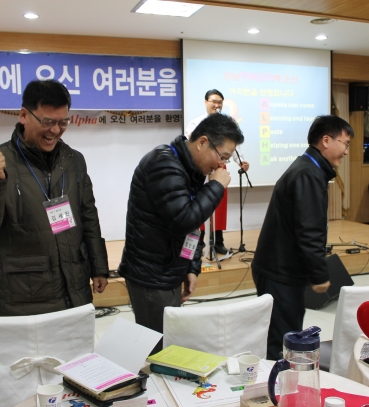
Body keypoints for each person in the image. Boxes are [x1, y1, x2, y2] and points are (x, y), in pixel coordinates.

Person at [0, 79, 109, 316]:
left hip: (76, 288)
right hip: (26, 294)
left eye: (63, 122)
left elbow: (88, 217)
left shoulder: (73, 160)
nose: (55, 130)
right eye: (47, 122)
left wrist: (99, 267)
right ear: (24, 115)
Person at [119, 113, 244, 352]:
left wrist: (191, 266)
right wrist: (216, 186)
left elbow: (192, 227)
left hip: (168, 269)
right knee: (158, 351)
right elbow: (184, 219)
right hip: (151, 275)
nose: (221, 165)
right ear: (202, 142)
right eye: (222, 157)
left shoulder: (189, 169)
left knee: (170, 344)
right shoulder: (164, 164)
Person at [252, 115, 353, 360]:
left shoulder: (309, 168)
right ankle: (277, 381)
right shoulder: (308, 173)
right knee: (282, 339)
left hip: (281, 269)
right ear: (326, 141)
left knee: (286, 332)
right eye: (346, 143)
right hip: (280, 272)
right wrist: (319, 274)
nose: (346, 151)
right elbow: (309, 230)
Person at [184, 89, 249, 254]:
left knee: (218, 206)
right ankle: (198, 244)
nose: (217, 105)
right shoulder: (196, 123)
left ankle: (218, 242)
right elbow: (191, 143)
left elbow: (234, 146)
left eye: (220, 102)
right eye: (213, 101)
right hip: (200, 169)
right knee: (199, 203)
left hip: (219, 166)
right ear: (206, 102)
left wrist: (241, 162)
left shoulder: (227, 125)